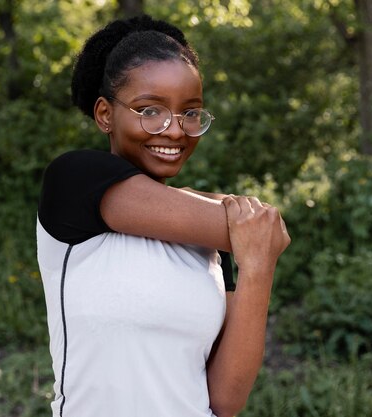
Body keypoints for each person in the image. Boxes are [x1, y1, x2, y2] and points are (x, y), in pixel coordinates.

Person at [36, 14, 290, 417]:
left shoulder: (209, 246)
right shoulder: (75, 181)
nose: (175, 130)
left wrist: (257, 268)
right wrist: (253, 232)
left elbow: (224, 400)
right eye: (149, 110)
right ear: (104, 114)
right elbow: (262, 226)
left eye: (190, 113)